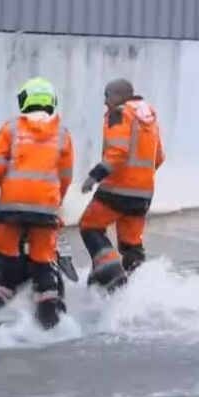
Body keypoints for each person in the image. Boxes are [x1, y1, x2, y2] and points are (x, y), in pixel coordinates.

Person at [0, 77, 74, 329]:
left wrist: (8, 187)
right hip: (47, 208)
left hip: (12, 205)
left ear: (25, 100)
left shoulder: (11, 129)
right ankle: (50, 316)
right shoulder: (63, 134)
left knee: (5, 255)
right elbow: (65, 177)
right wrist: (53, 202)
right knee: (43, 258)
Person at [80, 79, 164, 290]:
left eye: (106, 96)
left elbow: (118, 151)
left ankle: (110, 271)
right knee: (131, 245)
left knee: (90, 227)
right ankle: (135, 289)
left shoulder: (119, 114)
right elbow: (160, 156)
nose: (105, 102)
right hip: (143, 193)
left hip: (116, 189)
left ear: (118, 96)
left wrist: (94, 176)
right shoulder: (148, 117)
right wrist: (141, 178)